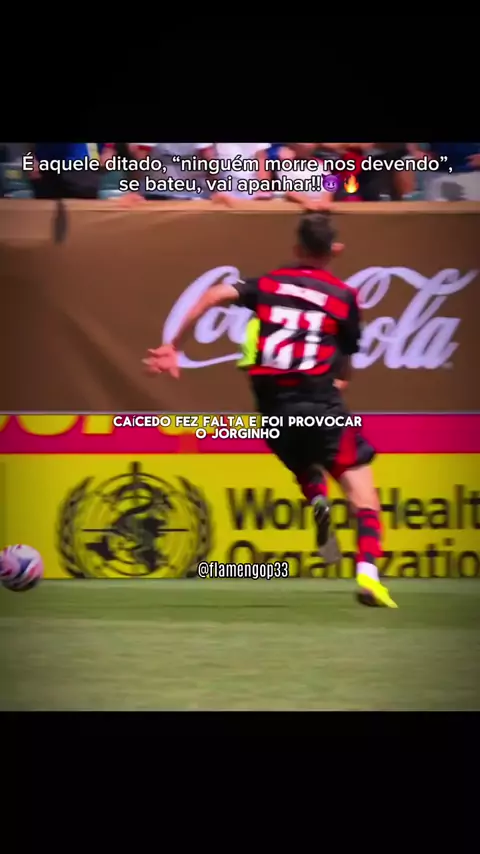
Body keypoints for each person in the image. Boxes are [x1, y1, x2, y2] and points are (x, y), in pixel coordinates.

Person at [144, 213, 397, 608]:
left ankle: (315, 496)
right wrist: (339, 382)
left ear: (296, 248)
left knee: (300, 456)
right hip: (320, 402)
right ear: (335, 250)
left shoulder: (268, 284)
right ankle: (368, 574)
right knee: (362, 494)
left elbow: (213, 295)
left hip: (273, 406)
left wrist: (173, 345)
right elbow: (346, 363)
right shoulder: (345, 297)